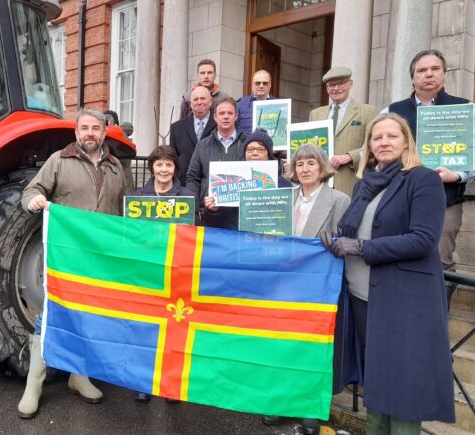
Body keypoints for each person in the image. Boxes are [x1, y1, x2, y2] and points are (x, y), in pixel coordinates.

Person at [321, 113, 454, 433]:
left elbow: (423, 240)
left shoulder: (422, 179)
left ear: (406, 141)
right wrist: (339, 243)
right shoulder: (365, 183)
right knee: (377, 378)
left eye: (391, 136)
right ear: (368, 145)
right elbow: (355, 229)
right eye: (376, 137)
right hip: (363, 295)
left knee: (403, 382)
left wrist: (361, 248)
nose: (383, 142)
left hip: (403, 298)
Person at [17, 109, 127, 419]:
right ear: (76, 132)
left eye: (96, 128)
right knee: (51, 314)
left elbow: (125, 211)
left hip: (100, 259)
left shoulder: (117, 168)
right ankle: (34, 384)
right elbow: (32, 190)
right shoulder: (59, 161)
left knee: (89, 317)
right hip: (65, 257)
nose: (90, 133)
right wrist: (34, 200)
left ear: (104, 133)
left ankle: (79, 376)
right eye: (85, 128)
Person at [262, 143, 350, 435]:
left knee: (312, 349)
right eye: (300, 165)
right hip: (284, 285)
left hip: (317, 288)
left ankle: (310, 409)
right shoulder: (281, 199)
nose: (305, 169)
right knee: (282, 345)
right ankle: (281, 402)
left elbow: (343, 244)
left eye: (311, 164)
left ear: (322, 167)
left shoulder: (339, 200)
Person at [386, 49, 475, 272]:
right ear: (413, 77)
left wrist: (458, 175)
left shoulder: (466, 109)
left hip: (446, 200)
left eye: (435, 69)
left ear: (444, 74)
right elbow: (375, 149)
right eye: (422, 70)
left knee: (440, 262)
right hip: (399, 198)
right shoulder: (391, 112)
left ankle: (439, 308)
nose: (429, 74)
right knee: (396, 257)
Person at [132, 145, 196, 402]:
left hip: (177, 272)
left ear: (175, 169)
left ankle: (170, 384)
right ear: (152, 168)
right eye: (159, 164)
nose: (163, 169)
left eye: (168, 165)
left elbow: (193, 236)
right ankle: (143, 382)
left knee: (175, 328)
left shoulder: (187, 196)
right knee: (145, 327)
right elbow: (132, 238)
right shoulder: (137, 197)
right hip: (148, 273)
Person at [309, 67, 377, 196]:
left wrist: (350, 157)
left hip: (351, 182)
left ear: (350, 84)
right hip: (320, 183)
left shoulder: (368, 112)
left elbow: (373, 145)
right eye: (331, 85)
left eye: (341, 83)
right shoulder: (315, 114)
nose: (336, 88)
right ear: (327, 88)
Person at [186, 98, 246, 228]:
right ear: (215, 117)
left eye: (229, 113)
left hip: (241, 215)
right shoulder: (202, 145)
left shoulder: (247, 144)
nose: (225, 117)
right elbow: (192, 177)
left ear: (236, 117)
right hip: (209, 213)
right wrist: (198, 206)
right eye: (222, 113)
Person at [169, 86, 217, 186]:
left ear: (211, 101)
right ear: (191, 104)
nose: (199, 102)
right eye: (195, 99)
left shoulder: (220, 125)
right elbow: (172, 159)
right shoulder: (177, 128)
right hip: (184, 185)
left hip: (213, 184)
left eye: (203, 98)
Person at [236, 70, 275, 135]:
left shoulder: (279, 105)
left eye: (265, 83)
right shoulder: (241, 104)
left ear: (270, 85)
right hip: (245, 144)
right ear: (252, 84)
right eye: (257, 83)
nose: (261, 86)